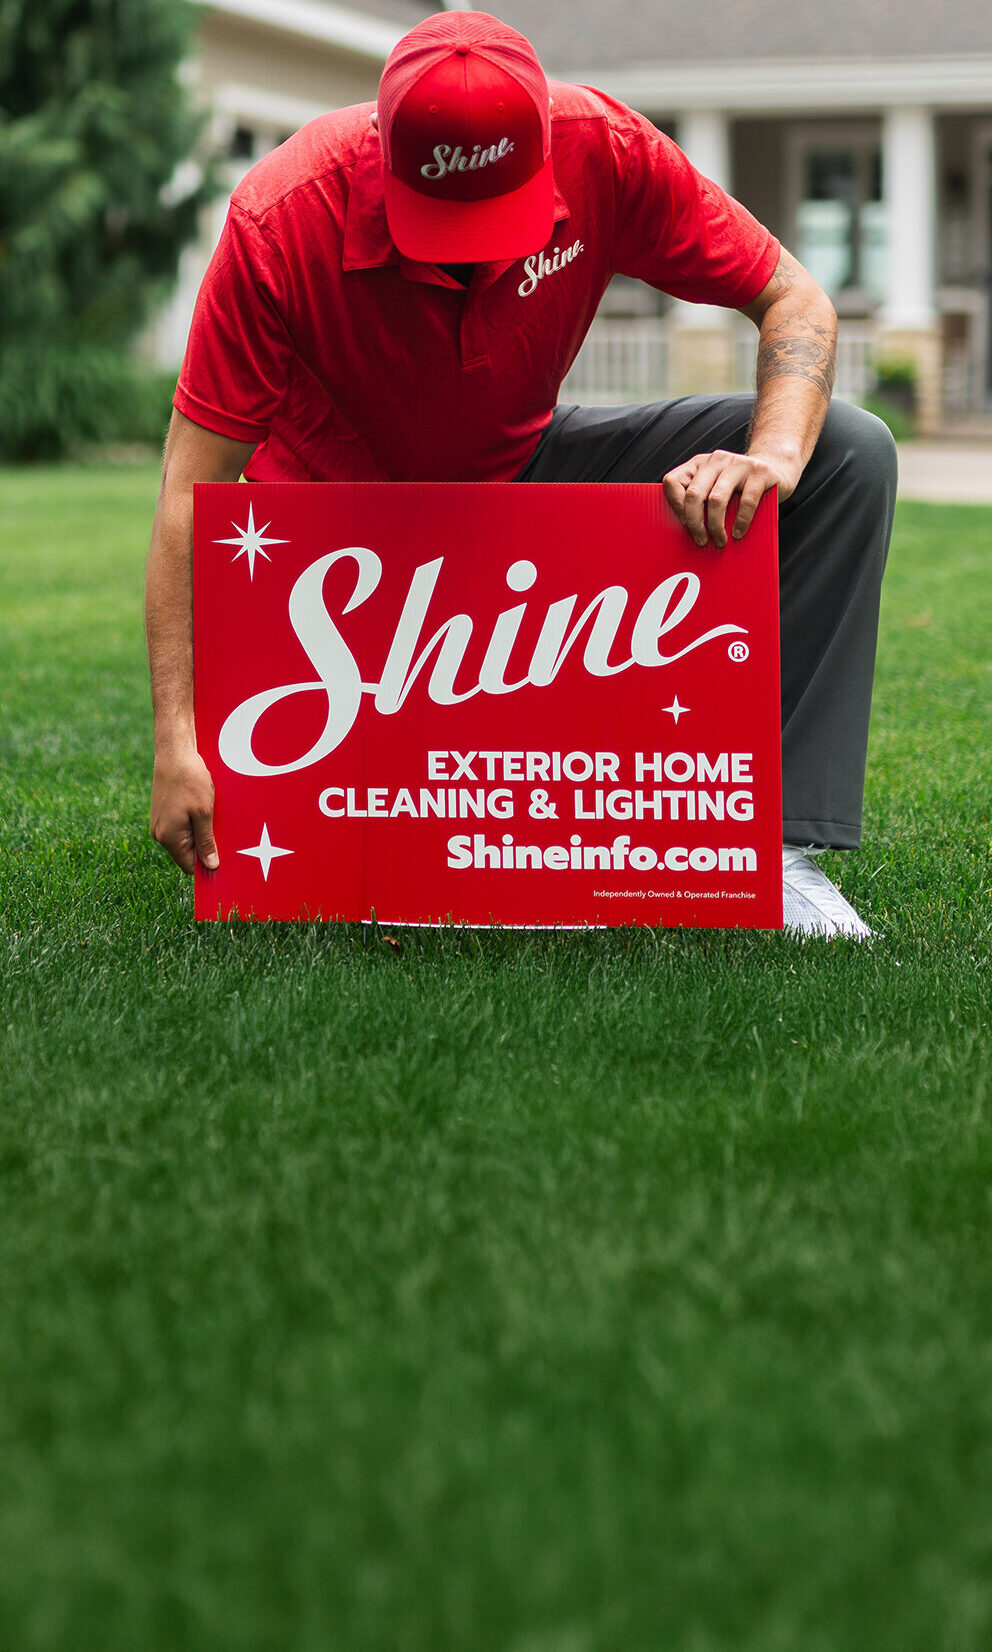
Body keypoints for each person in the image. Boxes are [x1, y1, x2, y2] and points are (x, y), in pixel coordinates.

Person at [146, 8, 896, 938]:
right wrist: (176, 742)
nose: (472, 250)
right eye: (444, 221)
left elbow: (794, 296)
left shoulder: (607, 147)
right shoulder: (280, 216)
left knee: (849, 452)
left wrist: (772, 459)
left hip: (520, 468)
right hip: (328, 531)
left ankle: (775, 856)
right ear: (383, 151)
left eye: (493, 220)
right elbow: (190, 487)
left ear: (546, 150)